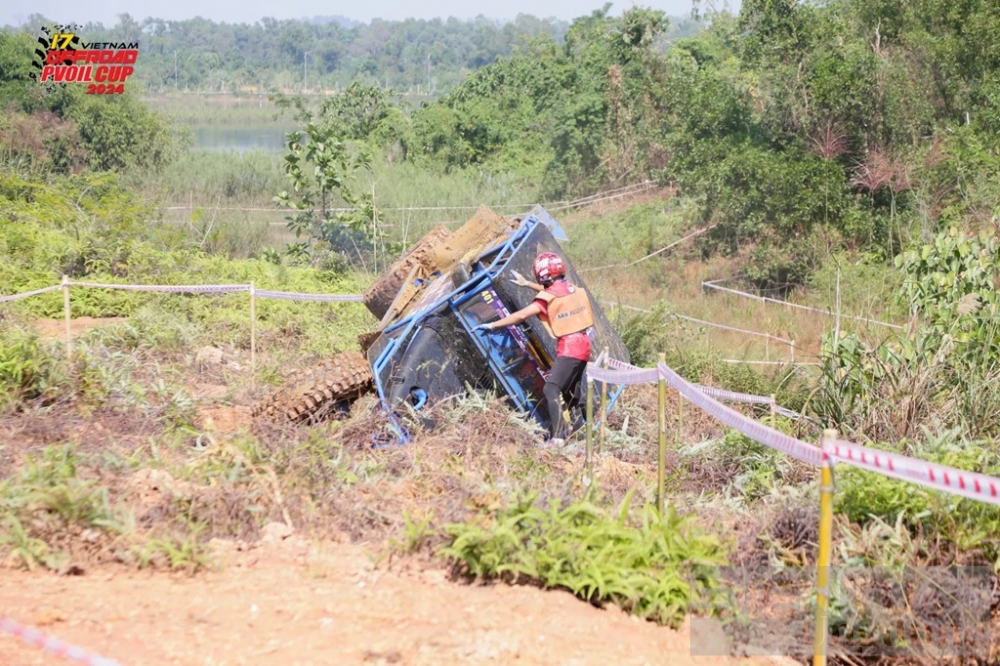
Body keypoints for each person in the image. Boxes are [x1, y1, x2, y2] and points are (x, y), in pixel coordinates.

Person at [474, 252, 594, 446]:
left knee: (552, 388)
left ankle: (557, 437)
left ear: (542, 274)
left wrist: (493, 325)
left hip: (570, 347)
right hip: (583, 345)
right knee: (571, 391)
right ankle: (579, 429)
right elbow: (552, 292)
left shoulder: (546, 299)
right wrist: (526, 284)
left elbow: (521, 315)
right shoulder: (571, 288)